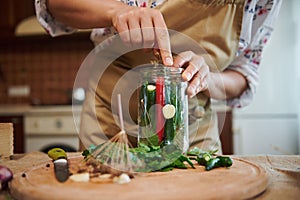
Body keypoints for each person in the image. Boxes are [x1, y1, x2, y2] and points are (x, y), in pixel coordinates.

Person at [35, 0, 282, 153]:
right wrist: (116, 10)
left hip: (192, 134)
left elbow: (244, 72)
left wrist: (208, 79)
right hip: (110, 127)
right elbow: (53, 4)